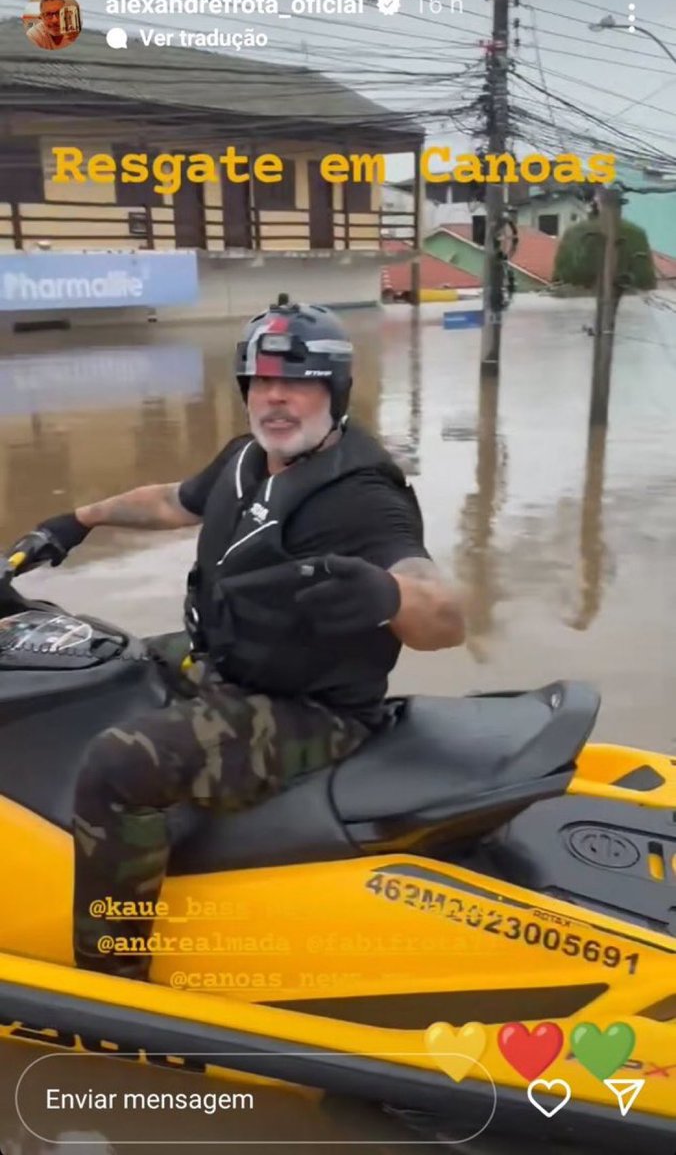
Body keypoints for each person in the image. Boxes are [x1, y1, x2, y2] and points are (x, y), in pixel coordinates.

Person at [6, 302, 465, 981]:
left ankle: (113, 967)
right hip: (227, 664)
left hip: (313, 710)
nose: (275, 397)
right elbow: (174, 499)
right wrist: (76, 521)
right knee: (100, 654)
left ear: (335, 391)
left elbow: (445, 617)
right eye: (260, 381)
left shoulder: (364, 496)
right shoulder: (251, 457)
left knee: (116, 765)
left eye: (298, 382)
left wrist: (391, 596)